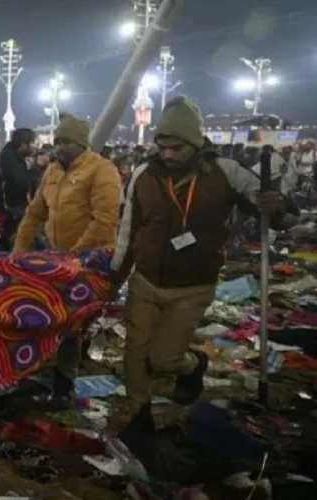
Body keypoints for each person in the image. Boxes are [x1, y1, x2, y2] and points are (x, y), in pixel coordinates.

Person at [111, 97, 300, 434]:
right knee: (135, 353)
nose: (167, 154)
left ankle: (194, 364)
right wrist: (114, 279)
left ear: (195, 144)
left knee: (164, 359)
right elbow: (128, 233)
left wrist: (277, 206)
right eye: (162, 146)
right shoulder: (143, 175)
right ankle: (140, 413)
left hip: (192, 286)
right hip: (146, 281)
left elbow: (278, 217)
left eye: (176, 147)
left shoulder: (226, 173)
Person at [13, 113, 121, 407]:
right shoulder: (52, 172)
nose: (59, 147)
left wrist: (74, 256)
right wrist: (18, 253)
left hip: (91, 259)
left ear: (82, 143)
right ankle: (44, 369)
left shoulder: (102, 170)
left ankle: (64, 384)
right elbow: (34, 214)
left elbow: (105, 221)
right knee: (48, 315)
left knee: (71, 323)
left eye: (66, 142)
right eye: (57, 140)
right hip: (58, 258)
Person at [0, 128, 39, 250]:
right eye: (33, 143)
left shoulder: (13, 156)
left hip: (11, 210)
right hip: (10, 211)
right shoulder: (7, 159)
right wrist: (38, 167)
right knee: (12, 245)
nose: (35, 147)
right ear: (23, 145)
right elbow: (22, 181)